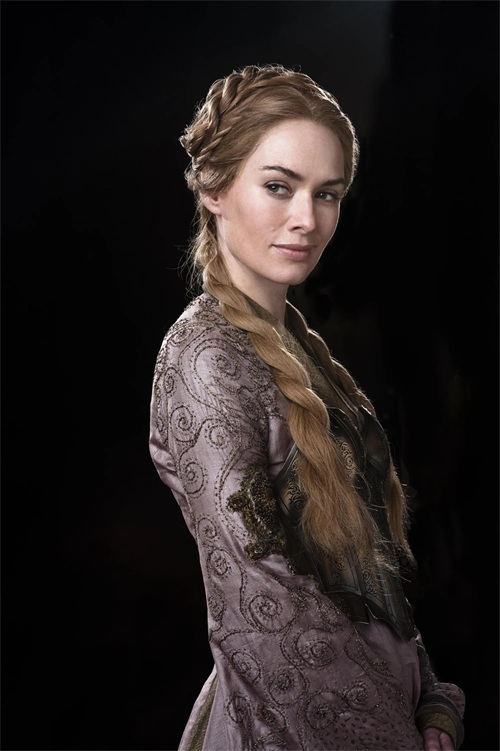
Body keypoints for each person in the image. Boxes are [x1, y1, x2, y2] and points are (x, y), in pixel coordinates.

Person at [149, 63, 465, 750]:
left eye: (328, 194)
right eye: (278, 186)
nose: (307, 219)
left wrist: (431, 700)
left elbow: (366, 572)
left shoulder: (305, 355)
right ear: (213, 188)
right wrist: (393, 735)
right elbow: (258, 604)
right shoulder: (204, 357)